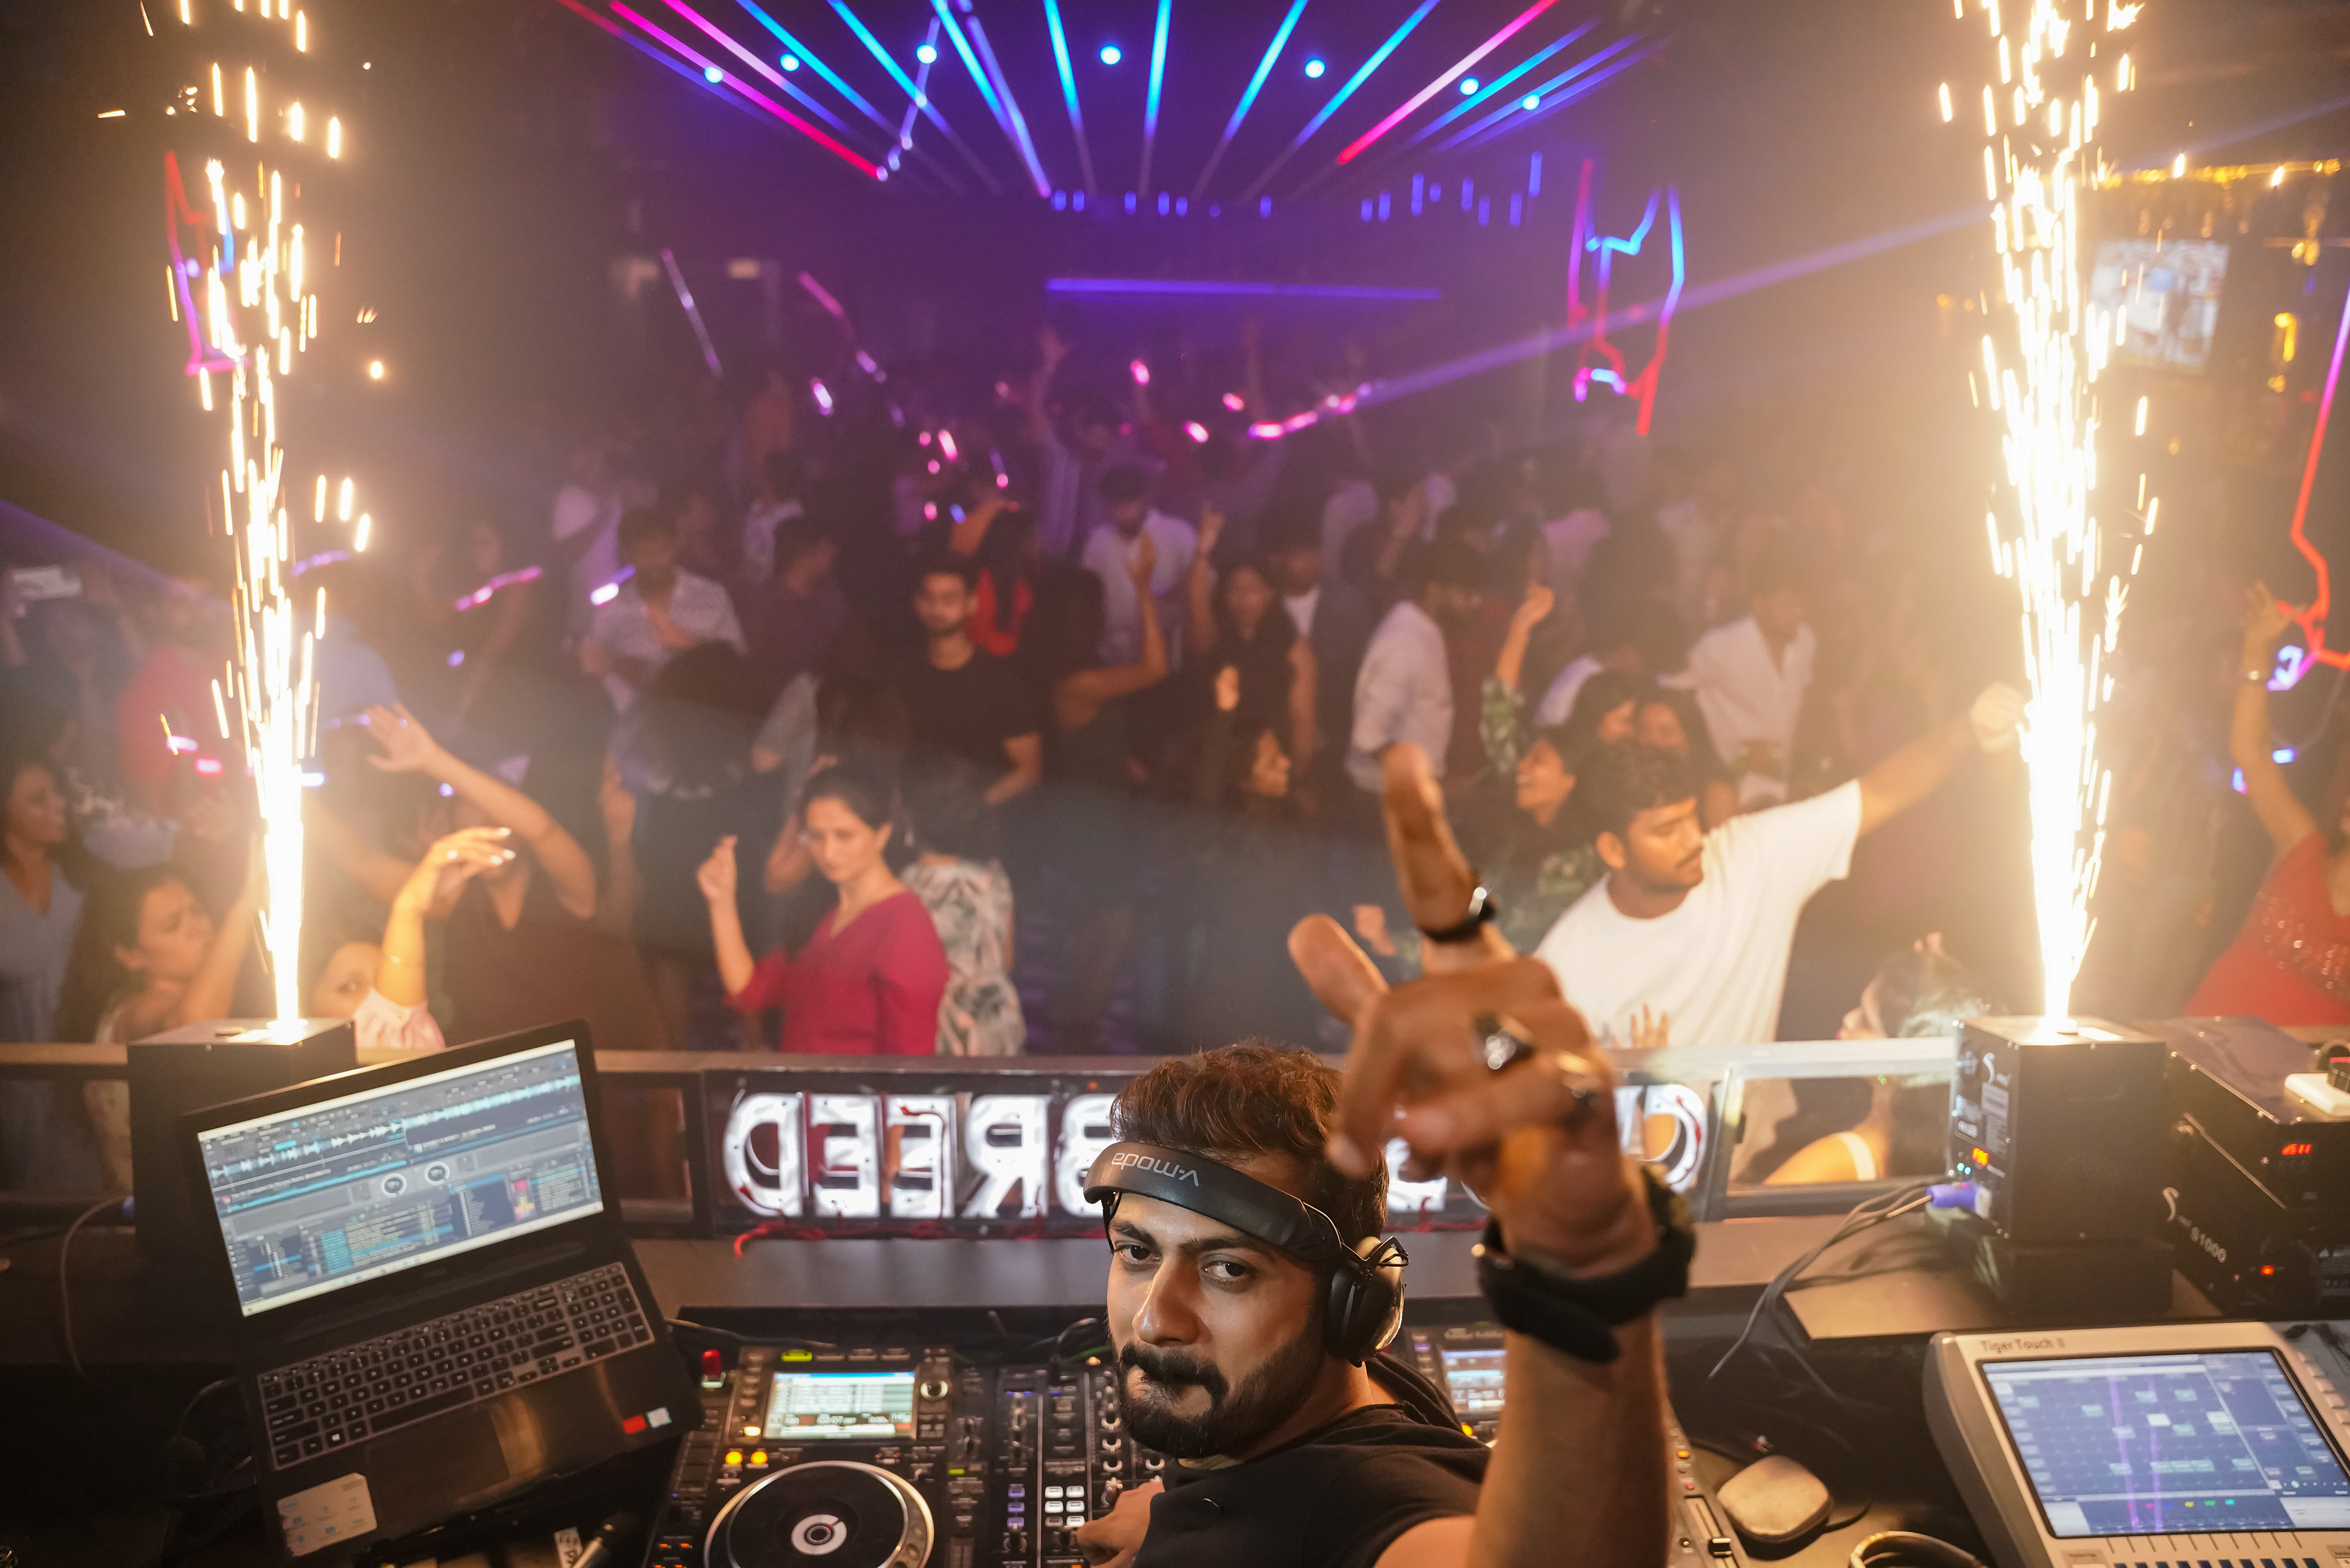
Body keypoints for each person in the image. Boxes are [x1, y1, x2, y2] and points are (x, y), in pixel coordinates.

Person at [1069, 741, 1674, 1568]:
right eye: (1138, 1252)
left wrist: (1585, 1258)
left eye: (1229, 1269)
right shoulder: (1300, 1433)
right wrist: (1183, 1517)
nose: (1154, 1319)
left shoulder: (1368, 1509)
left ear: (1355, 1302)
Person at [1535, 682, 2025, 1049]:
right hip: (1645, 1160)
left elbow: (1878, 792)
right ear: (1614, 850)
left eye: (1691, 819)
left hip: (1754, 1148)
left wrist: (1965, 732)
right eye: (1666, 831)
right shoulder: (1568, 961)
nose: (1694, 840)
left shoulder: (1751, 856)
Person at [354, 702, 670, 1050]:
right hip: (485, 1070)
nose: (487, 835)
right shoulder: (457, 897)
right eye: (472, 828)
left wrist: (434, 761)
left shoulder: (568, 890)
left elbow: (544, 831)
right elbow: (362, 863)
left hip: (572, 1069)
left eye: (496, 821)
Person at [698, 763, 948, 1055]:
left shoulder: (905, 927)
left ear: (882, 835)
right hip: (800, 1082)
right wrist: (721, 902)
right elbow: (750, 992)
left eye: (844, 836)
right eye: (816, 837)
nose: (828, 853)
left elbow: (911, 1060)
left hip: (850, 1086)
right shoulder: (821, 911)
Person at [2187, 583, 2350, 1022]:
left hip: (2295, 1071)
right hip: (2203, 1044)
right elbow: (2251, 751)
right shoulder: (2303, 848)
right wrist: (2256, 651)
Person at [59, 849, 265, 1189]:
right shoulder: (138, 1010)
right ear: (131, 955)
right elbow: (195, 1025)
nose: (197, 927)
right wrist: (245, 908)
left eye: (197, 911)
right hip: (153, 1213)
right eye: (172, 925)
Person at [1036, 542, 1169, 1050]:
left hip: (1098, 814)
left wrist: (1131, 769)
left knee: (1104, 917)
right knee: (1116, 919)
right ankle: (1077, 1021)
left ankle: (1073, 1014)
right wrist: (1144, 590)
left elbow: (1097, 740)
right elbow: (1155, 668)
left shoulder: (1078, 678)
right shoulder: (1080, 683)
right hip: (1090, 822)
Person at [1762, 939, 2001, 1185]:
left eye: (1865, 1019)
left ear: (1902, 1064)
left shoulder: (1832, 1163)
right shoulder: (1956, 1157)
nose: (1849, 1019)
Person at [0, 754, 98, 1192]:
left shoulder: (84, 875)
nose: (58, 804)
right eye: (38, 799)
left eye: (58, 791)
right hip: (13, 1080)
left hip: (78, 1070)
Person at [1346, 541, 1488, 807]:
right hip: (1387, 799)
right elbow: (1368, 735)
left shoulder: (1424, 629)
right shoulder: (1405, 642)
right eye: (1467, 594)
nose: (1476, 603)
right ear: (1435, 590)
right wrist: (1433, 785)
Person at [1672, 546, 1813, 808]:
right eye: (1787, 604)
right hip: (1730, 789)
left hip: (1782, 786)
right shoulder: (1720, 647)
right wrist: (1708, 751)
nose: (1798, 613)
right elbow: (1672, 691)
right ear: (1759, 604)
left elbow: (1801, 693)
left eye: (1802, 603)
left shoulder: (1806, 640)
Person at [896, 556, 1043, 806]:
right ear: (918, 604)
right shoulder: (900, 673)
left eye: (949, 599)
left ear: (971, 604)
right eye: (930, 598)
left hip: (977, 818)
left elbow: (1029, 770)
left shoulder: (1001, 683)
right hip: (909, 812)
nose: (937, 608)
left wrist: (971, 808)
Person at [902, 762, 1025, 1056]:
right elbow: (1006, 960)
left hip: (941, 1022)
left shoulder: (906, 886)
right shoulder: (994, 876)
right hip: (996, 1017)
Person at [1186, 507, 1316, 767]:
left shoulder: (1294, 647)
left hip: (1269, 762)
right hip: (1218, 759)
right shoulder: (1216, 638)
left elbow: (1304, 720)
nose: (1242, 598)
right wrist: (1202, 554)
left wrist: (1296, 775)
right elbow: (1198, 610)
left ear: (1270, 595)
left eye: (1253, 589)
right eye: (1234, 589)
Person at [583, 504, 745, 712]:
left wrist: (686, 645)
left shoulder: (711, 596)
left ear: (676, 545)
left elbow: (735, 668)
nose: (654, 562)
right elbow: (593, 677)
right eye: (643, 554)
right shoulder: (611, 612)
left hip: (700, 720)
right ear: (626, 554)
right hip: (634, 725)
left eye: (662, 551)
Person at [1082, 463, 1196, 665]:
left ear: (1145, 498)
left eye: (1130, 504)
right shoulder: (1098, 541)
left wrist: (1180, 590)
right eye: (1116, 506)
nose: (1123, 513)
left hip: (1167, 648)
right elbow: (1088, 595)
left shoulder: (1178, 534)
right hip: (1111, 653)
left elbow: (1205, 586)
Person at [736, 518, 845, 688]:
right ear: (803, 556)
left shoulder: (830, 596)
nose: (833, 552)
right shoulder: (762, 604)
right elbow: (747, 666)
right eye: (824, 548)